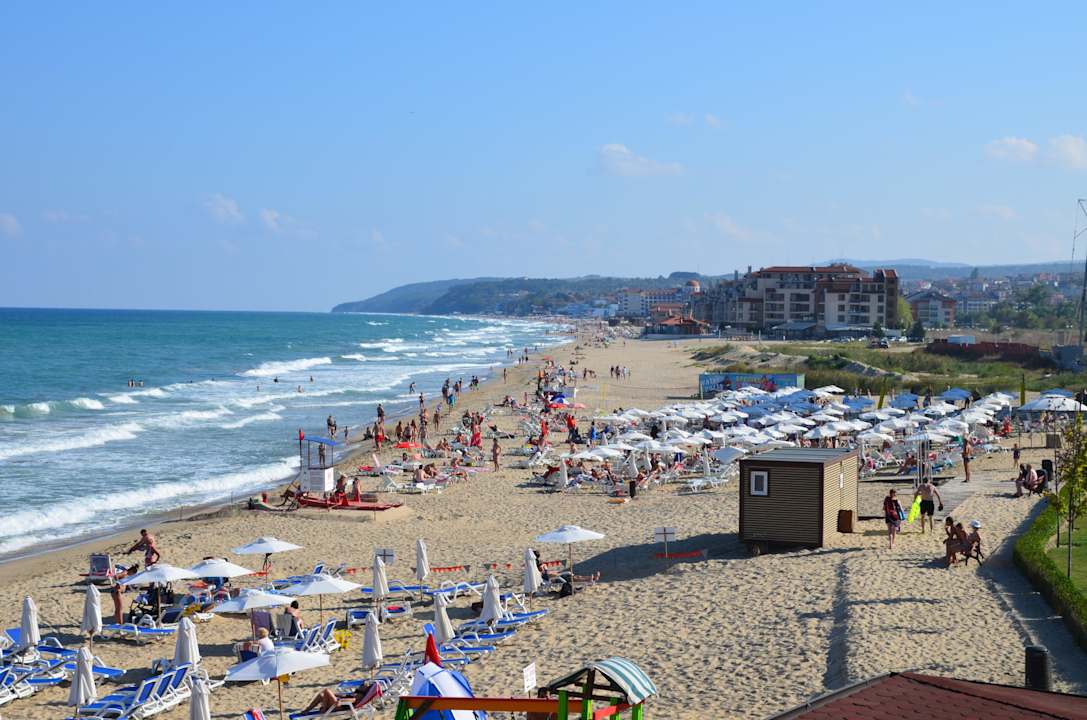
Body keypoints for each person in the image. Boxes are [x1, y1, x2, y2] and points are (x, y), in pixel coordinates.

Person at [300, 682, 378, 716]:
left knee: (326, 690)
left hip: (340, 706)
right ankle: (307, 710)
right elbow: (345, 695)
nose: (361, 685)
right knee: (321, 695)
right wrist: (334, 694)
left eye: (364, 685)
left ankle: (324, 709)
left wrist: (341, 701)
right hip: (339, 703)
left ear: (365, 690)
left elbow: (353, 700)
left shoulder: (360, 695)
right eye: (362, 684)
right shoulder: (356, 693)